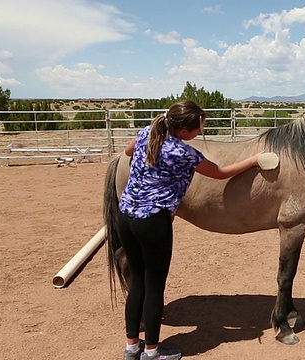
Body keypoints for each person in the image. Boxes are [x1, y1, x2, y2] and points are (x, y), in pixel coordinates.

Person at [118, 100, 260, 360]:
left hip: (126, 215)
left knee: (137, 282)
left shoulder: (146, 134)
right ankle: (152, 351)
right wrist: (253, 160)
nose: (199, 133)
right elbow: (220, 173)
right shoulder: (184, 152)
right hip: (153, 221)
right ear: (184, 132)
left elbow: (128, 152)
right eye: (198, 130)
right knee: (154, 287)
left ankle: (132, 347)